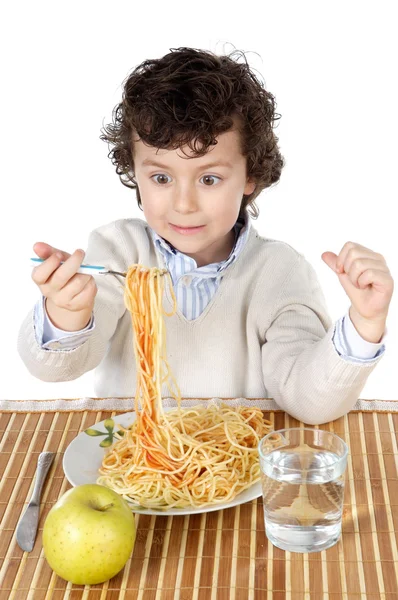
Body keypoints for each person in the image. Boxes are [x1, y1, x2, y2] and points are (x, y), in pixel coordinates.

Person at [18, 47, 394, 425]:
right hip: (133, 466)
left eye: (209, 178)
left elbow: (309, 400)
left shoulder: (279, 272)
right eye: (161, 178)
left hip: (235, 467)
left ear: (250, 176)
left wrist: (364, 324)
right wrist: (67, 315)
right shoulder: (118, 251)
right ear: (135, 171)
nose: (184, 204)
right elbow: (56, 369)